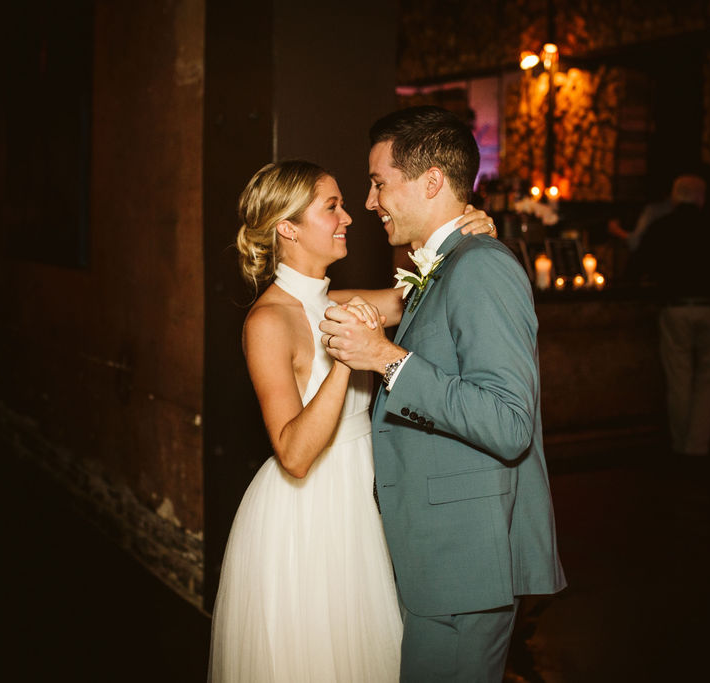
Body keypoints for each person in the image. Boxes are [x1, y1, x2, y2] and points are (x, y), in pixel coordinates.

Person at [207, 160, 496, 682]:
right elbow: (294, 454)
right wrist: (345, 360)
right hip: (307, 515)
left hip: (362, 503)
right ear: (287, 228)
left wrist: (464, 234)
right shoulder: (268, 321)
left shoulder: (339, 301)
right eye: (332, 207)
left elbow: (423, 293)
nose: (349, 217)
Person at [319, 106, 565, 683]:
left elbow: (509, 423)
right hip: (441, 557)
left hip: (465, 560)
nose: (371, 201)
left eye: (380, 183)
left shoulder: (481, 268)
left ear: (431, 181)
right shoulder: (446, 266)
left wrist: (384, 357)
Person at [628, 174, 710, 457]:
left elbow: (636, 266)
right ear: (701, 198)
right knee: (708, 381)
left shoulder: (662, 227)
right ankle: (697, 446)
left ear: (675, 196)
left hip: (676, 307)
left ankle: (681, 445)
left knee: (679, 380)